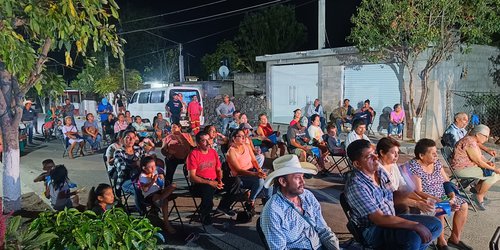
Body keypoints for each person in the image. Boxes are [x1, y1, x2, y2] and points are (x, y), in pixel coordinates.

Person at [345, 139, 442, 249]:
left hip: (391, 218)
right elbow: (378, 219)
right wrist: (415, 225)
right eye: (369, 156)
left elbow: (394, 195)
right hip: (374, 230)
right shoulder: (356, 185)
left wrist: (418, 200)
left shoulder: (379, 172)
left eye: (374, 153)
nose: (376, 158)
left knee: (436, 224)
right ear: (357, 164)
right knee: (413, 235)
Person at [404, 138, 471, 249]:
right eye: (433, 153)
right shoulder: (415, 166)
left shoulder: (436, 163)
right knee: (441, 208)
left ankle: (455, 238)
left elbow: (446, 181)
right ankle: (441, 242)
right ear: (421, 155)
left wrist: (452, 195)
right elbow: (418, 191)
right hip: (427, 198)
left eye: (436, 153)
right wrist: (439, 200)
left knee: (463, 206)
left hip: (443, 194)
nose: (436, 156)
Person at [260, 154, 339, 250]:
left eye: (303, 177)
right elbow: (279, 248)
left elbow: (323, 229)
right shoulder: (273, 210)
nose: (303, 182)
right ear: (283, 181)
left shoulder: (307, 196)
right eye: (297, 178)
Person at [187, 131, 240, 225]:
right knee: (208, 188)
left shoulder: (213, 152)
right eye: (204, 141)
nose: (208, 143)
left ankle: (223, 206)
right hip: (200, 184)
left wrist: (220, 180)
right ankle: (205, 214)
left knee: (236, 181)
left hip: (214, 181)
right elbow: (192, 177)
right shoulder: (194, 154)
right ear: (198, 143)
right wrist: (209, 182)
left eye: (209, 140)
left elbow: (219, 169)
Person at [376, 137, 435, 214]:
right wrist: (417, 203)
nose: (397, 156)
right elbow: (391, 196)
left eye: (398, 153)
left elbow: (403, 187)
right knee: (409, 209)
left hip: (398, 199)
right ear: (382, 153)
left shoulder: (393, 165)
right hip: (387, 206)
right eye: (393, 153)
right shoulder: (378, 170)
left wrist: (420, 199)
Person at [451, 124, 499, 210]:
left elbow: (479, 157)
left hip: (467, 167)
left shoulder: (472, 140)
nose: (486, 139)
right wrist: (494, 169)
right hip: (462, 169)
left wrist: (488, 163)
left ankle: (477, 190)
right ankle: (478, 195)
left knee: (492, 172)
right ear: (477, 134)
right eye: (485, 136)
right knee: (493, 175)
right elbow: (478, 161)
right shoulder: (470, 142)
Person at [226, 129, 267, 211]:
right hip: (240, 177)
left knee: (268, 182)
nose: (243, 138)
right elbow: (238, 170)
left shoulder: (247, 146)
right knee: (260, 181)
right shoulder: (231, 152)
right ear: (234, 138)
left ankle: (268, 206)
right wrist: (255, 174)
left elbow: (254, 160)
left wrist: (259, 170)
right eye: (240, 136)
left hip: (252, 172)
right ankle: (251, 201)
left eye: (244, 136)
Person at [139, 156, 177, 233]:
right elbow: (145, 189)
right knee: (164, 201)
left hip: (160, 192)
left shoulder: (155, 172)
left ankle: (161, 199)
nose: (153, 169)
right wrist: (152, 180)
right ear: (144, 168)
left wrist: (160, 179)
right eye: (150, 167)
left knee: (173, 185)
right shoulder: (142, 176)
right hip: (150, 195)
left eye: (154, 166)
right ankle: (166, 223)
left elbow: (160, 185)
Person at [112, 130, 144, 211]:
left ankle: (153, 210)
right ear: (122, 139)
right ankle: (143, 212)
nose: (131, 140)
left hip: (140, 177)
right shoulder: (118, 152)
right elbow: (122, 168)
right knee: (137, 188)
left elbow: (145, 162)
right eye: (128, 138)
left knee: (155, 185)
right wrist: (136, 164)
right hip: (126, 179)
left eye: (133, 138)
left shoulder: (139, 149)